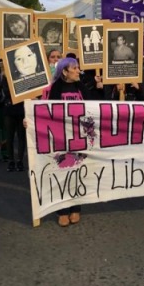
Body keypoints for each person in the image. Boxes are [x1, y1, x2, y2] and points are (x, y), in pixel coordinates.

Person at [42, 57, 103, 226]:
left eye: (78, 68)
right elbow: (44, 111)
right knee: (61, 173)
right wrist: (30, 121)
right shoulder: (53, 89)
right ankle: (61, 210)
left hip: (79, 138)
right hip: (60, 138)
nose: (78, 71)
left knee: (78, 173)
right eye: (74, 68)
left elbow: (94, 108)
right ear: (64, 71)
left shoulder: (81, 87)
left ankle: (76, 207)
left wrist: (99, 88)